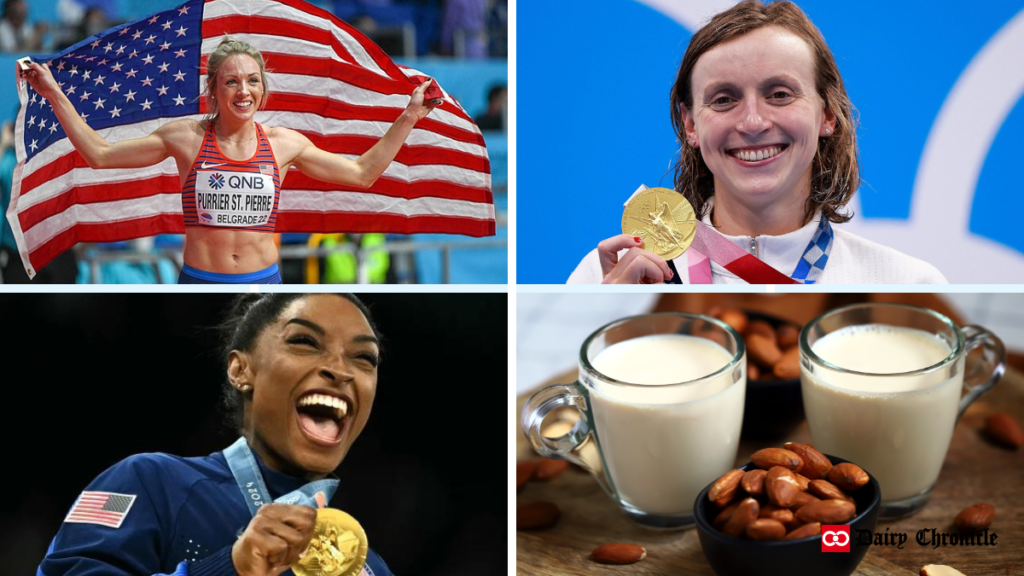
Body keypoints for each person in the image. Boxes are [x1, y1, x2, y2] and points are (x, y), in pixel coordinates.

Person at [568, 0, 946, 284]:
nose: (752, 122)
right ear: (690, 124)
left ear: (827, 114)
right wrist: (610, 320)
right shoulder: (610, 276)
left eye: (780, 94)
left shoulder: (906, 285)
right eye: (724, 99)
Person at [20, 37, 440, 284]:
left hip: (264, 284)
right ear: (214, 89)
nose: (244, 90)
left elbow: (362, 174)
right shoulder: (185, 137)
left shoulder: (284, 144)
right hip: (199, 281)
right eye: (232, 81)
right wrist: (54, 93)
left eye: (253, 81)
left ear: (264, 88)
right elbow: (100, 154)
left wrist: (410, 116)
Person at [37, 293, 396, 576]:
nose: (340, 369)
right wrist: (231, 568)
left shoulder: (368, 568)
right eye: (304, 341)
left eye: (364, 358)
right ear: (241, 369)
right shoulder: (148, 482)